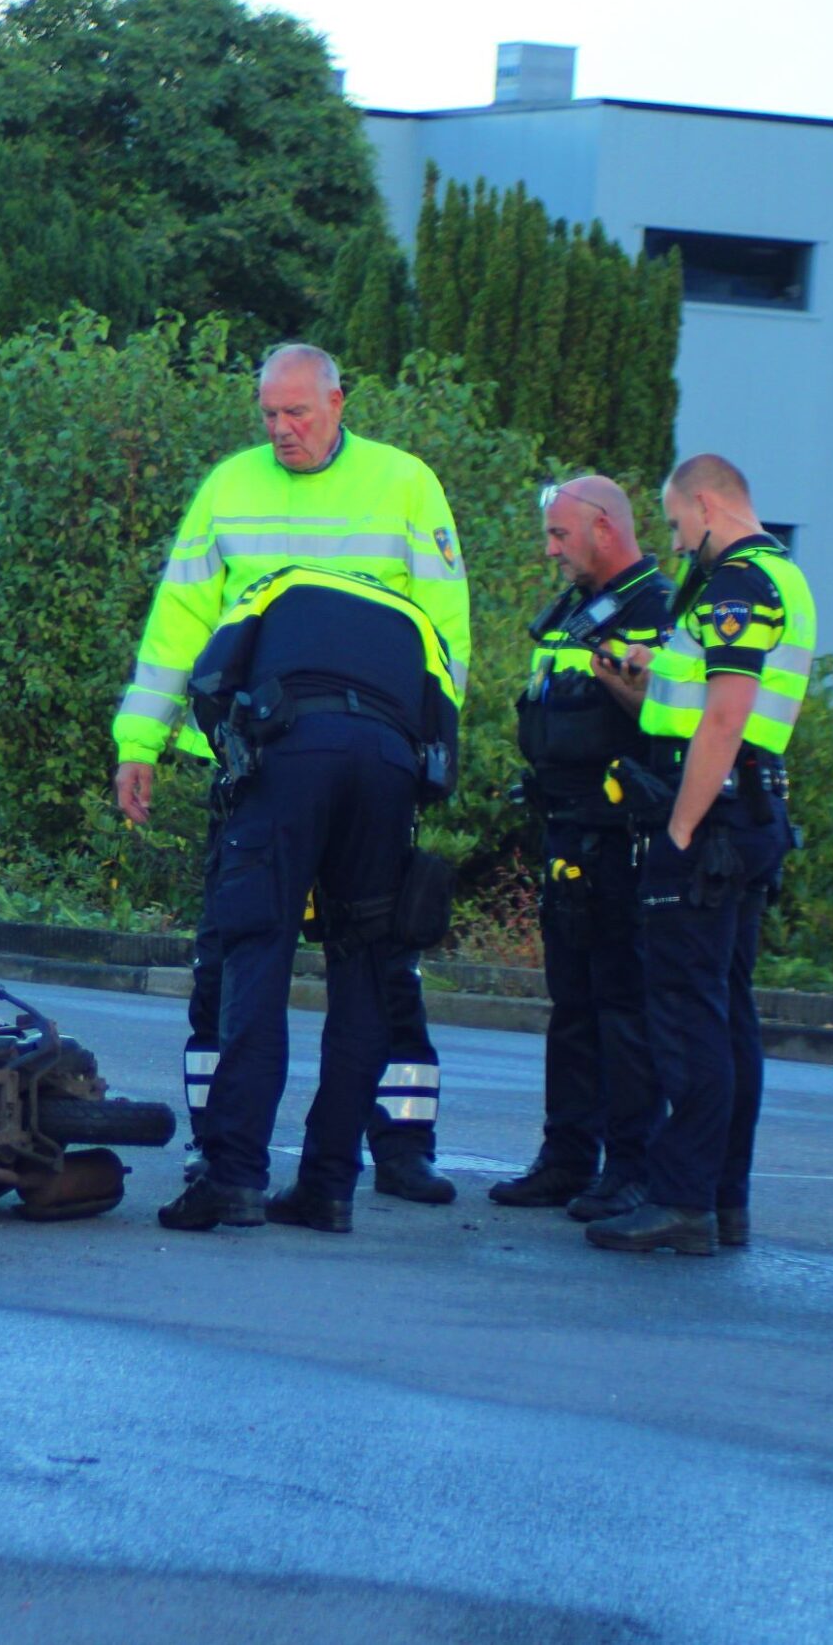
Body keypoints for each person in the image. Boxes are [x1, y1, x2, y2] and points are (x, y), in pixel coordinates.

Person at [112, 344, 470, 1204]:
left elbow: (448, 632)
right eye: (269, 414)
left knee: (368, 968)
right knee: (232, 967)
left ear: (339, 402)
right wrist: (140, 738)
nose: (281, 430)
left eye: (297, 413)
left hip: (350, 760)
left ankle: (395, 1146)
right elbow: (179, 625)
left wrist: (436, 750)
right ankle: (235, 1153)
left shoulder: (404, 482)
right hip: (251, 762)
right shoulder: (230, 487)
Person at [150, 561, 463, 1231]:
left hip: (293, 749)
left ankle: (234, 1178)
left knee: (257, 954)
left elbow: (210, 679)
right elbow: (446, 747)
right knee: (366, 972)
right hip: (388, 766)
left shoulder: (279, 583)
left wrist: (238, 768)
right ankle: (329, 1187)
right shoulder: (417, 622)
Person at [585, 454, 816, 1255]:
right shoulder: (776, 578)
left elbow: (722, 720)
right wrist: (633, 676)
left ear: (709, 505)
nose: (678, 545)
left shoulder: (739, 584)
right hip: (748, 811)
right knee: (726, 1011)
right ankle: (721, 1198)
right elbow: (690, 703)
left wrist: (680, 830)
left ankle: (683, 1199)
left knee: (686, 1013)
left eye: (679, 525)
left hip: (713, 819)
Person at [488, 476, 674, 1219]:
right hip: (567, 830)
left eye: (561, 535)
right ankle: (567, 1157)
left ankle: (630, 1167)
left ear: (604, 527)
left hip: (620, 837)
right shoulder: (575, 611)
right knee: (571, 1004)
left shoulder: (656, 608)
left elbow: (665, 717)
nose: (551, 550)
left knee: (623, 1007)